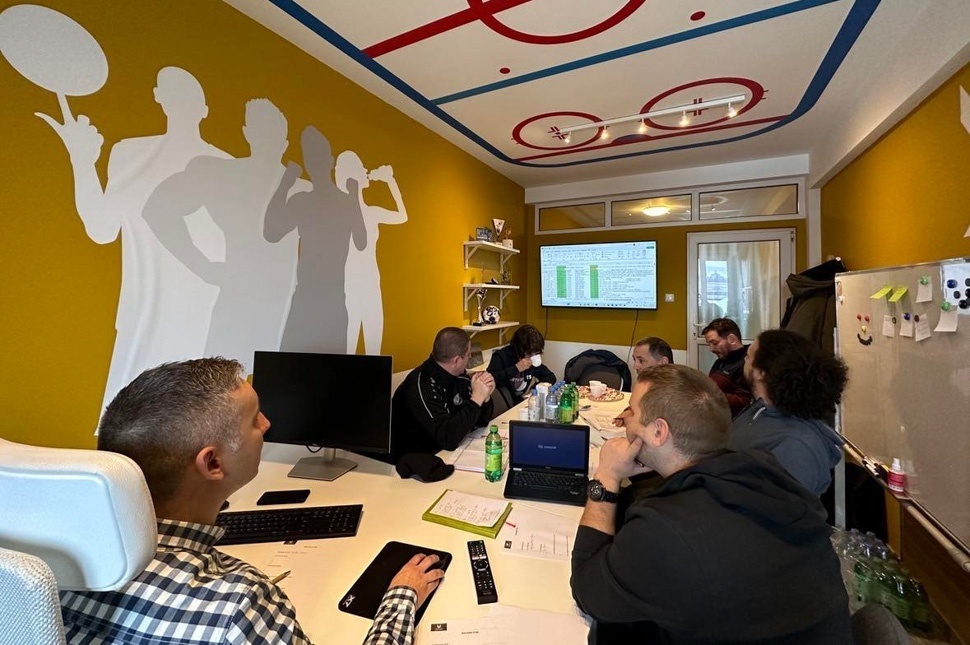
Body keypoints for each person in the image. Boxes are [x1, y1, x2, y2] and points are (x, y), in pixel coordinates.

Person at [60, 358, 443, 644]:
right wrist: (401, 597)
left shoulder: (58, 560)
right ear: (213, 463)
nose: (267, 425)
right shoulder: (237, 606)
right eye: (254, 419)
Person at [571, 364, 851, 644]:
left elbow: (588, 591)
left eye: (631, 411)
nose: (625, 420)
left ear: (658, 432)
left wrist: (607, 476)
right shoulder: (766, 475)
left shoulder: (665, 529)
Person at [37, 66, 230, 422]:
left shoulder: (224, 165)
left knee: (199, 428)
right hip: (143, 315)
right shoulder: (130, 153)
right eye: (172, 92)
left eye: (189, 96)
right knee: (130, 429)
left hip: (205, 316)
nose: (181, 103)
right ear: (158, 98)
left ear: (204, 109)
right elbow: (102, 228)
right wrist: (82, 160)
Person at [729, 329, 848, 496]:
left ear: (761, 373)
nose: (744, 360)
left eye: (748, 356)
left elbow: (768, 508)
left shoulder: (796, 448)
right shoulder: (762, 411)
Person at [392, 327, 495, 457]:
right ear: (456, 360)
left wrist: (484, 397)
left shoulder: (459, 376)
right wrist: (476, 399)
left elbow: (481, 421)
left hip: (452, 449)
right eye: (468, 354)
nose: (470, 357)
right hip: (417, 457)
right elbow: (448, 439)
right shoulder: (421, 386)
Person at [486, 324, 556, 401]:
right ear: (520, 348)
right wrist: (516, 368)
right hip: (501, 401)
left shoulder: (532, 358)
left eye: (536, 353)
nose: (532, 356)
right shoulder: (501, 356)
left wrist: (535, 388)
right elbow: (490, 381)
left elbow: (550, 377)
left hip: (519, 400)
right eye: (529, 353)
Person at [702, 317, 752, 417]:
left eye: (715, 343)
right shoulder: (720, 361)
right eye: (709, 344)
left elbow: (745, 402)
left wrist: (710, 397)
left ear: (732, 339)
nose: (711, 349)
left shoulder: (747, 363)